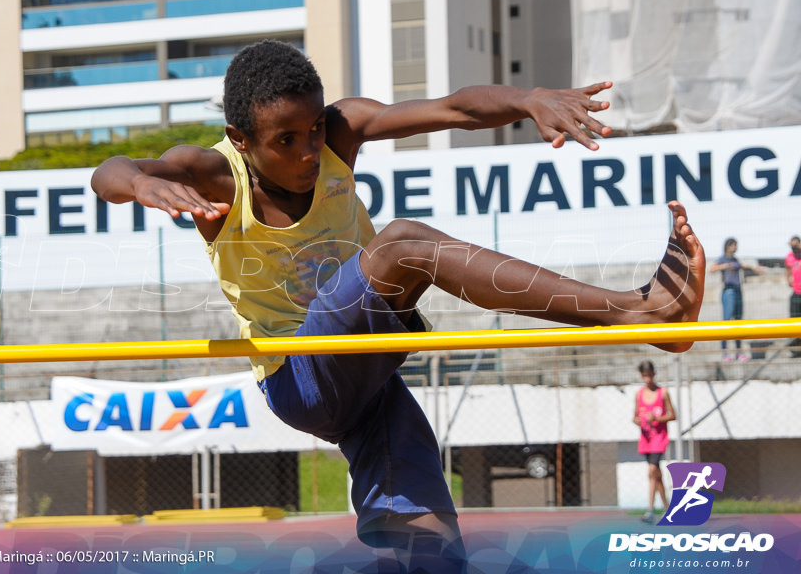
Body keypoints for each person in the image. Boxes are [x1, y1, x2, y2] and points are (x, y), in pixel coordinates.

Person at [91, 41, 706, 562]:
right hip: (300, 376)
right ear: (241, 139)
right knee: (402, 244)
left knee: (431, 544)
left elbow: (453, 109)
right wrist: (144, 184)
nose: (308, 153)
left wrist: (526, 100)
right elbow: (108, 171)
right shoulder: (212, 174)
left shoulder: (340, 131)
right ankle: (639, 310)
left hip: (370, 375)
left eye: (311, 132)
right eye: (286, 140)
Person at [632, 360, 676, 523]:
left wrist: (656, 418)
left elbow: (673, 415)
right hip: (646, 438)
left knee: (651, 471)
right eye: (645, 376)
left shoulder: (663, 393)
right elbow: (635, 417)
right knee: (656, 475)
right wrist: (641, 421)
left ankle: (650, 510)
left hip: (659, 438)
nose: (648, 379)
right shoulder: (639, 394)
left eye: (650, 376)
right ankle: (667, 508)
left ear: (654, 375)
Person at [709, 237, 764, 361]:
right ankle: (725, 354)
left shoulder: (735, 260)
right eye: (733, 245)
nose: (735, 247)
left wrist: (755, 268)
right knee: (727, 323)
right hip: (729, 292)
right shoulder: (722, 259)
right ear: (728, 246)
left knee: (738, 323)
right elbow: (712, 269)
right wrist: (725, 266)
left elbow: (743, 266)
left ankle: (738, 352)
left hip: (738, 291)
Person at [787, 236, 801, 353]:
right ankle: (796, 348)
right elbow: (787, 269)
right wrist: (788, 280)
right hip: (796, 293)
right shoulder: (790, 257)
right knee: (795, 321)